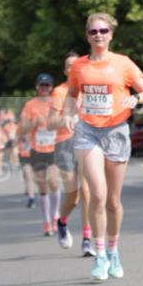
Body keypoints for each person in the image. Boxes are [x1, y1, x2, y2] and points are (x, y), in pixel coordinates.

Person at [60, 12, 143, 281]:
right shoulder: (79, 66)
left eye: (103, 31)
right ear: (87, 35)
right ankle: (99, 255)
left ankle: (113, 250)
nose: (98, 35)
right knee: (97, 195)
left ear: (111, 34)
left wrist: (136, 99)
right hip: (88, 132)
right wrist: (69, 113)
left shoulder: (123, 64)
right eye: (93, 32)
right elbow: (71, 95)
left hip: (116, 131)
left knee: (113, 200)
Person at [48, 50, 95, 256]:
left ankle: (87, 239)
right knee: (73, 197)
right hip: (64, 144)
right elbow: (50, 123)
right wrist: (69, 118)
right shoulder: (59, 92)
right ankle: (62, 221)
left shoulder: (90, 89)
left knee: (87, 192)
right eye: (70, 66)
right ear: (65, 70)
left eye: (77, 65)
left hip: (86, 142)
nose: (74, 68)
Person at [19, 74, 61, 236]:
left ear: (51, 87)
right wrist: (33, 124)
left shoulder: (56, 103)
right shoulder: (30, 105)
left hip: (54, 148)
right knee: (43, 187)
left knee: (54, 182)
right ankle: (46, 221)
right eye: (42, 85)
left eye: (47, 86)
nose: (45, 88)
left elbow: (64, 122)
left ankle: (55, 215)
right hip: (37, 150)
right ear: (37, 87)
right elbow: (22, 129)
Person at [17, 131, 36, 208]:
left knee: (34, 176)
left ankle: (29, 189)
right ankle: (31, 199)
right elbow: (15, 142)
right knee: (28, 176)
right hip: (24, 155)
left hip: (35, 154)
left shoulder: (37, 126)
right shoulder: (21, 128)